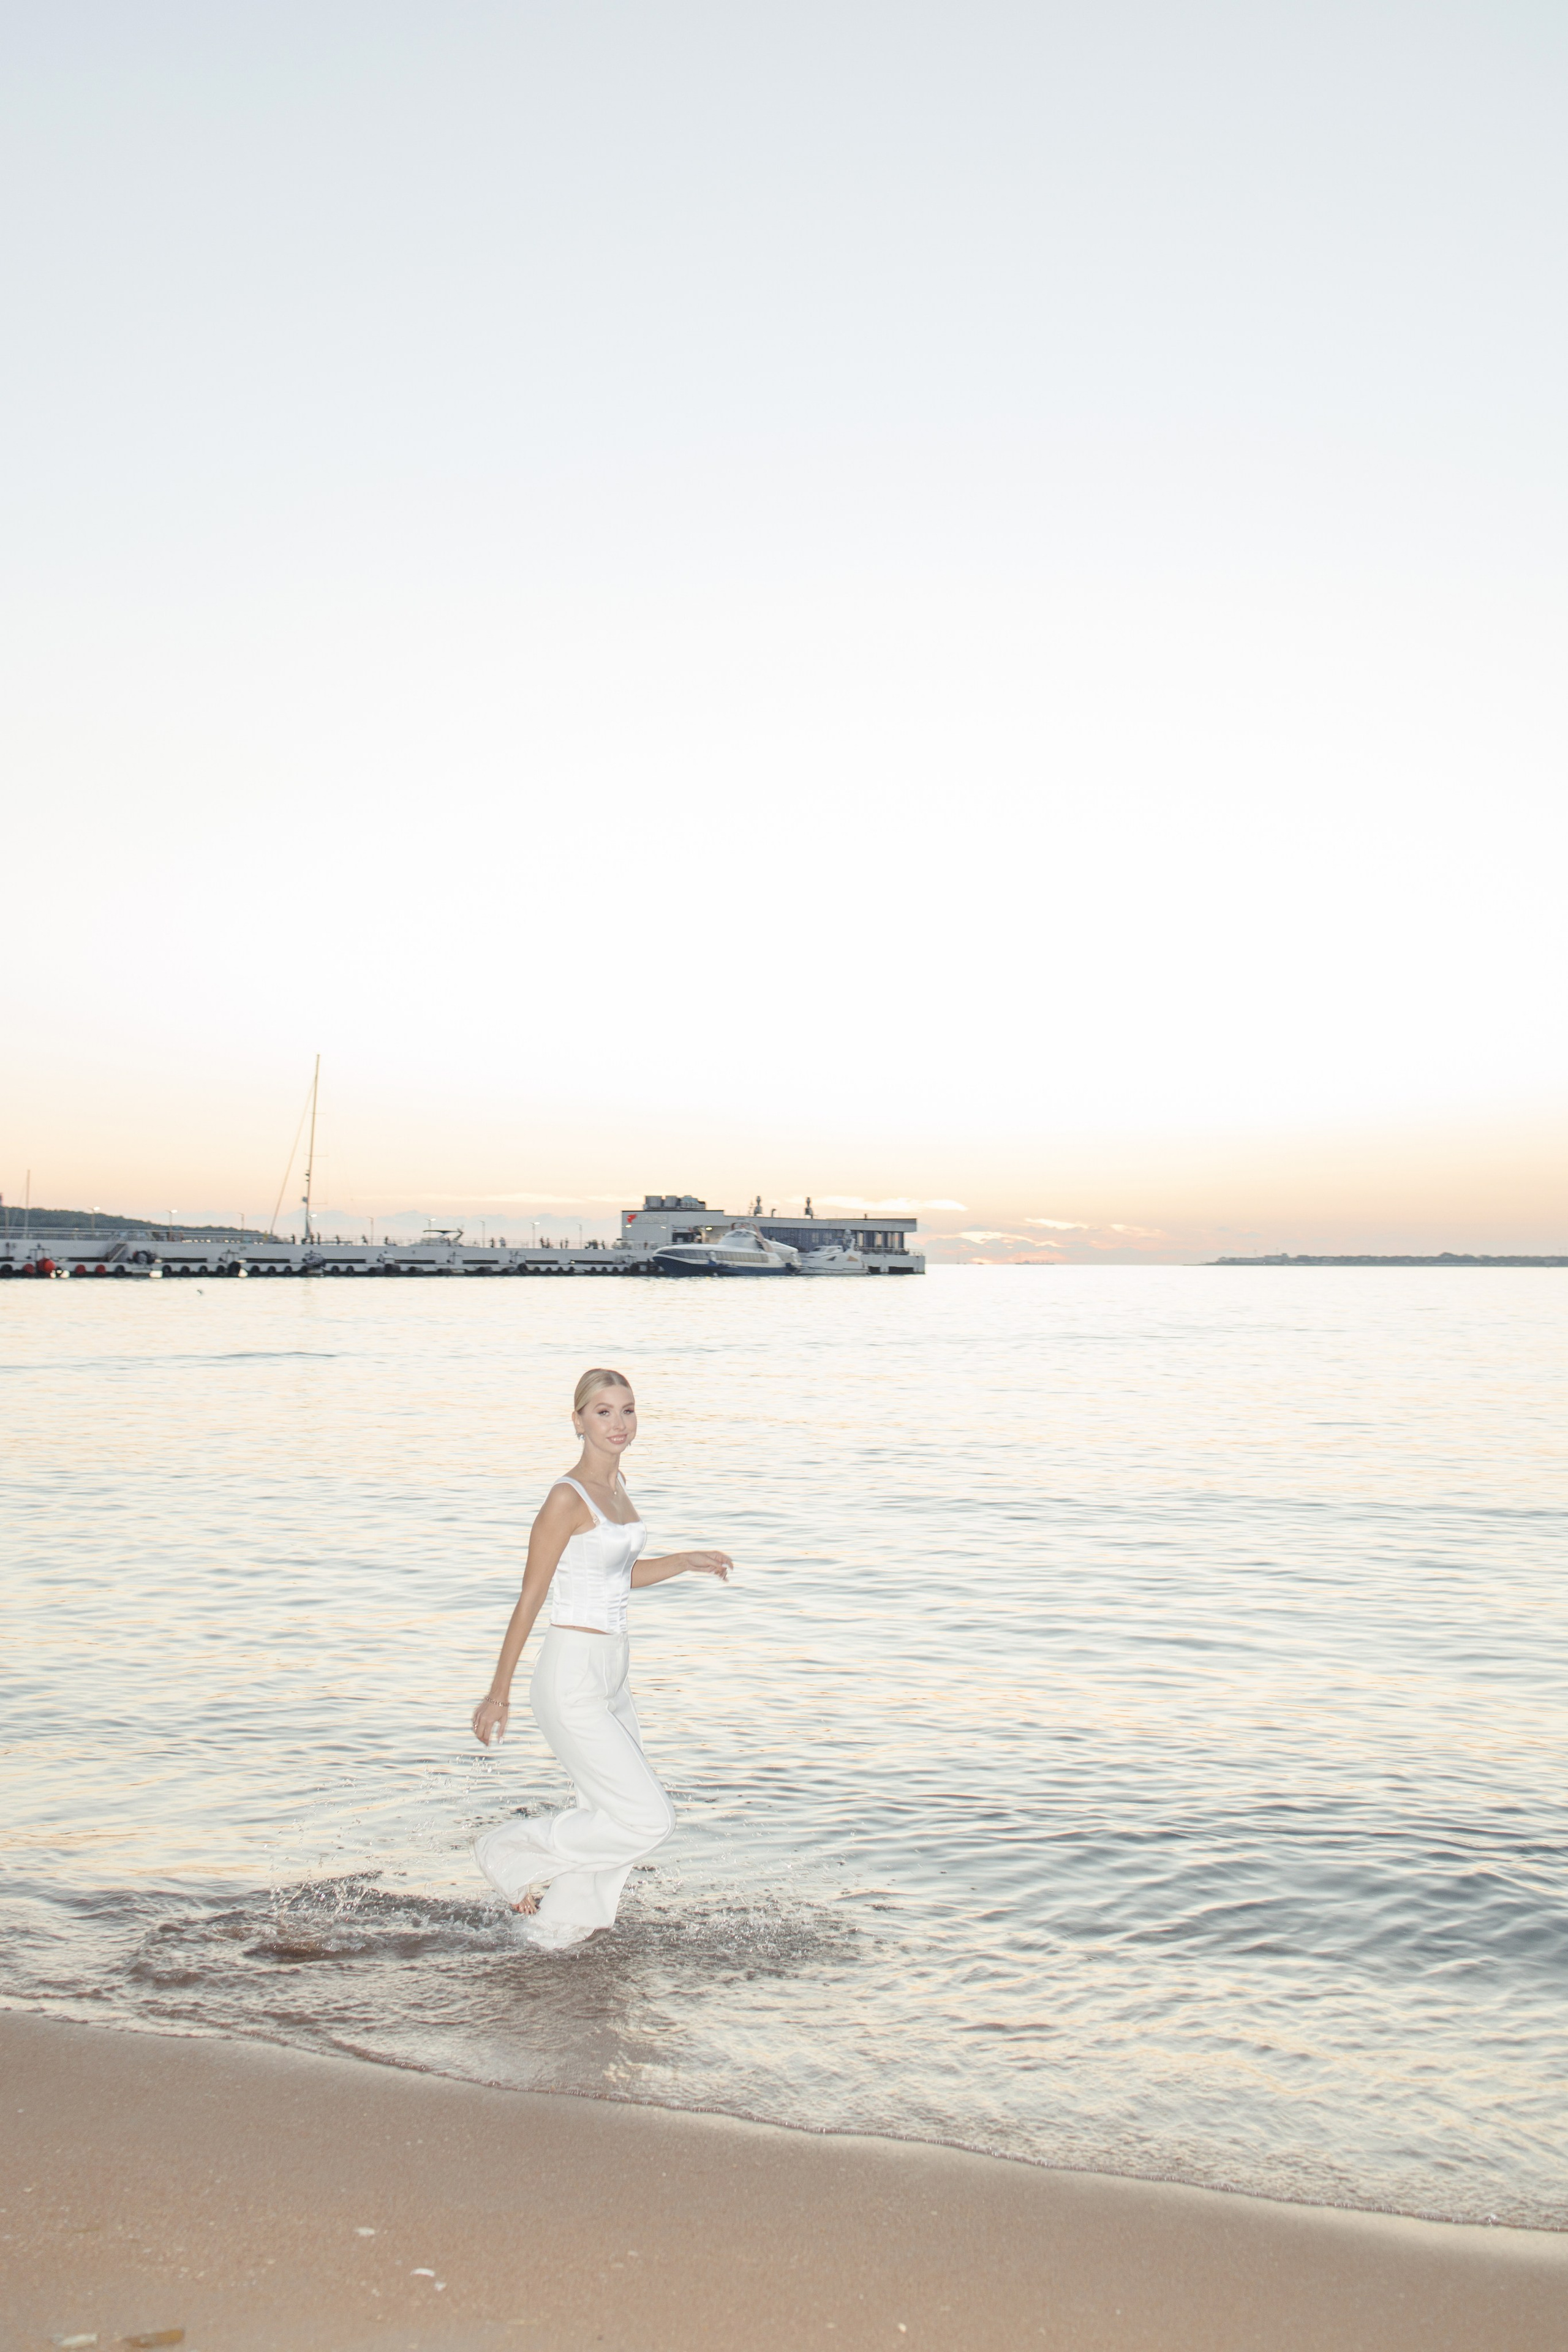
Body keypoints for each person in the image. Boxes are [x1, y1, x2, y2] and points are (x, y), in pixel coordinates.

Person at [470, 1367, 733, 1949]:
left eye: (628, 1410)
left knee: (609, 1811)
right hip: (571, 1673)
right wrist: (498, 1693)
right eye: (604, 1412)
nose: (619, 1424)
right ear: (578, 1421)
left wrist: (684, 1561)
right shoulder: (567, 1497)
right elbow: (532, 1596)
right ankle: (508, 1849)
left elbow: (618, 1577)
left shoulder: (617, 1489)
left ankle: (558, 1930)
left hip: (613, 1670)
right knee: (647, 1819)